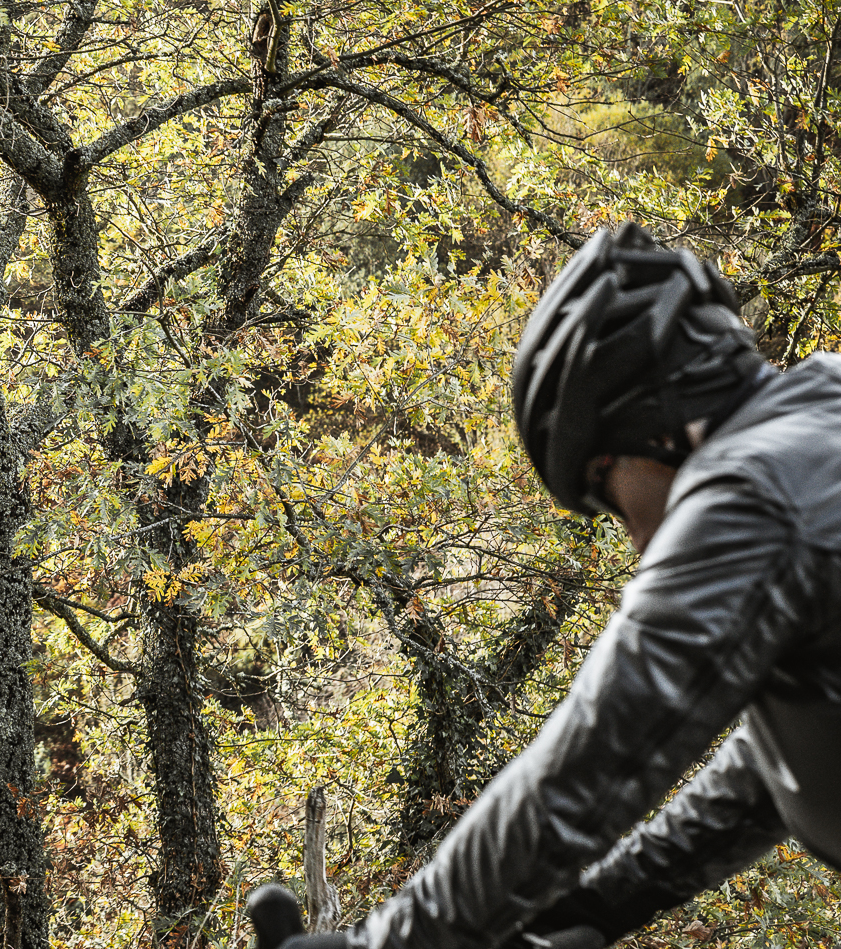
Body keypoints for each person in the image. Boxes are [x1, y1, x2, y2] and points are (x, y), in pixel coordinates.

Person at [249, 222, 841, 949]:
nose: (635, 538)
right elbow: (790, 751)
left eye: (607, 492)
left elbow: (592, 762)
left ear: (656, 425)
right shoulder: (820, 425)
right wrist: (603, 905)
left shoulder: (754, 498)